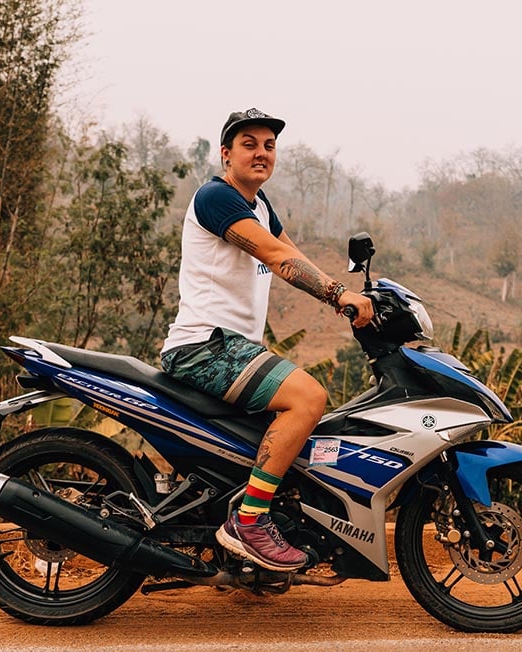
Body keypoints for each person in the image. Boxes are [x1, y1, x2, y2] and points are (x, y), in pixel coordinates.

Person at [160, 108, 374, 572]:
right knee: (308, 398)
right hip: (205, 346)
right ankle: (249, 520)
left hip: (234, 347)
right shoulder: (216, 197)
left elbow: (291, 250)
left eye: (269, 145)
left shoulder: (259, 205)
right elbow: (278, 257)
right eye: (249, 144)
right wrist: (339, 295)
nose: (261, 152)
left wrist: (352, 296)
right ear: (226, 153)